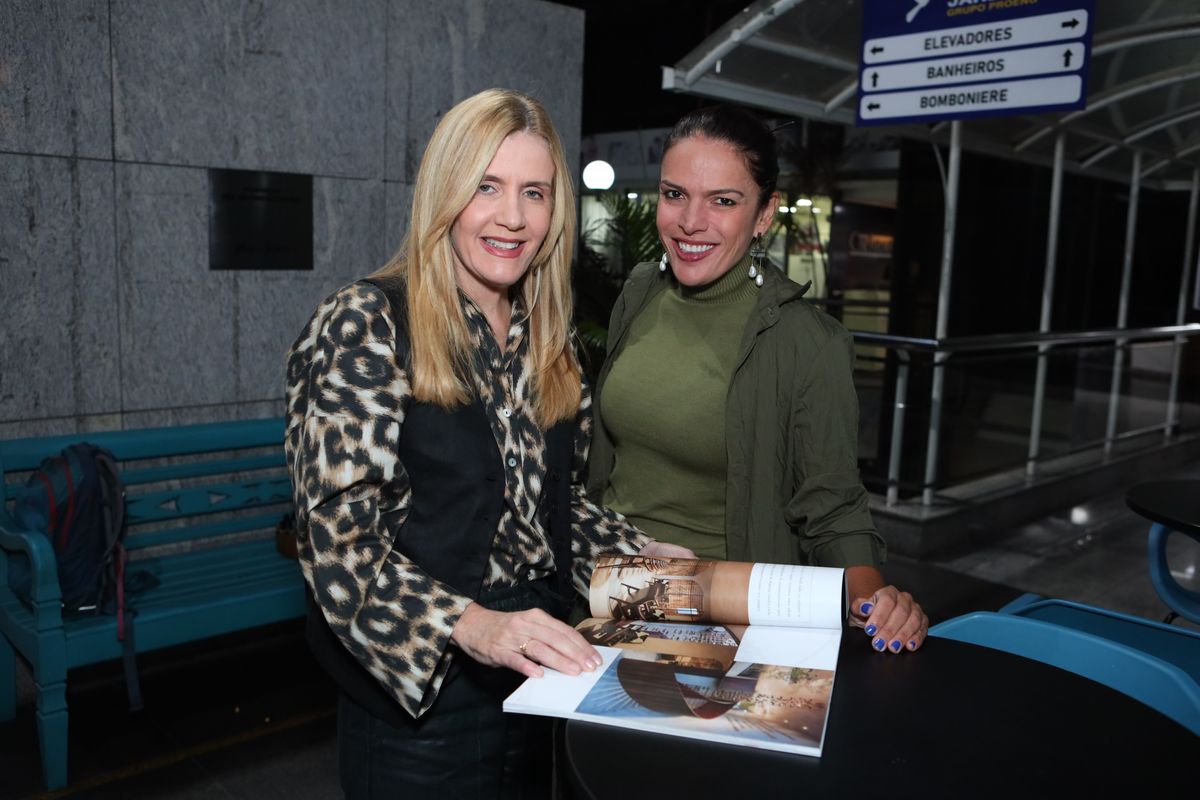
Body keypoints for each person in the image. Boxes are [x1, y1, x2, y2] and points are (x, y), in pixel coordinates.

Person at [284, 88, 688, 800]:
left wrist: (634, 556)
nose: (512, 217)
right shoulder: (365, 324)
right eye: (486, 187)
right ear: (445, 195)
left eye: (534, 192)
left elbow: (550, 506)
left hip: (534, 668)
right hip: (422, 700)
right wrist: (471, 624)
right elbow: (336, 544)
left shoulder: (547, 337)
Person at [586, 105, 929, 655]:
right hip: (605, 586)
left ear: (765, 213)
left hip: (724, 612)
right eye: (675, 194)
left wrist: (878, 602)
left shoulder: (807, 341)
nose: (690, 222)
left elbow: (833, 504)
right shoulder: (640, 291)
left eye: (723, 201)